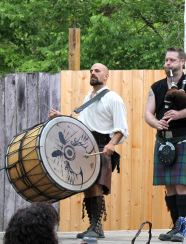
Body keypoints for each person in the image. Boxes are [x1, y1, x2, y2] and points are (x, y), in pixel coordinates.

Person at [49, 63, 128, 239]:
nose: (93, 73)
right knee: (88, 187)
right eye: (91, 71)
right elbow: (82, 125)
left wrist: (112, 144)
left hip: (102, 147)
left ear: (106, 76)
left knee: (96, 186)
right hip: (85, 147)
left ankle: (95, 225)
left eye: (97, 71)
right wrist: (61, 116)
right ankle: (95, 226)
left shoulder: (114, 99)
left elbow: (122, 128)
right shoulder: (88, 98)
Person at [145, 47, 186, 242]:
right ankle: (176, 227)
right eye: (166, 60)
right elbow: (148, 113)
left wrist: (179, 114)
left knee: (181, 186)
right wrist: (156, 123)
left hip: (184, 139)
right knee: (170, 187)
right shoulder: (156, 87)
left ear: (182, 62)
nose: (168, 63)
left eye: (172, 60)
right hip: (163, 140)